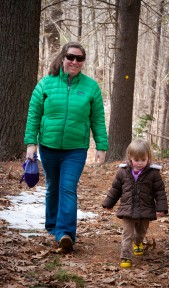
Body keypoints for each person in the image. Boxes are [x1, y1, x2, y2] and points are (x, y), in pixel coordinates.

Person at [24, 42, 108, 251]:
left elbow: (97, 118)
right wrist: (30, 144)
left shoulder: (91, 87)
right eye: (71, 57)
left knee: (67, 188)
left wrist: (101, 146)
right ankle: (53, 226)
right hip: (49, 146)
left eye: (80, 58)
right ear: (63, 58)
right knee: (53, 187)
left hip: (76, 149)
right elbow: (34, 115)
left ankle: (65, 234)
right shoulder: (46, 84)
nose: (75, 62)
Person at [102, 139, 168, 268]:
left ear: (148, 157)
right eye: (136, 160)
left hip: (145, 209)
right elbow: (116, 189)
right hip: (127, 209)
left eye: (143, 160)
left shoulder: (153, 174)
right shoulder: (123, 172)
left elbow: (159, 192)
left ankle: (138, 243)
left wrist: (161, 208)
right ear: (130, 158)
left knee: (141, 232)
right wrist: (109, 203)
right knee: (128, 234)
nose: (139, 163)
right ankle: (125, 256)